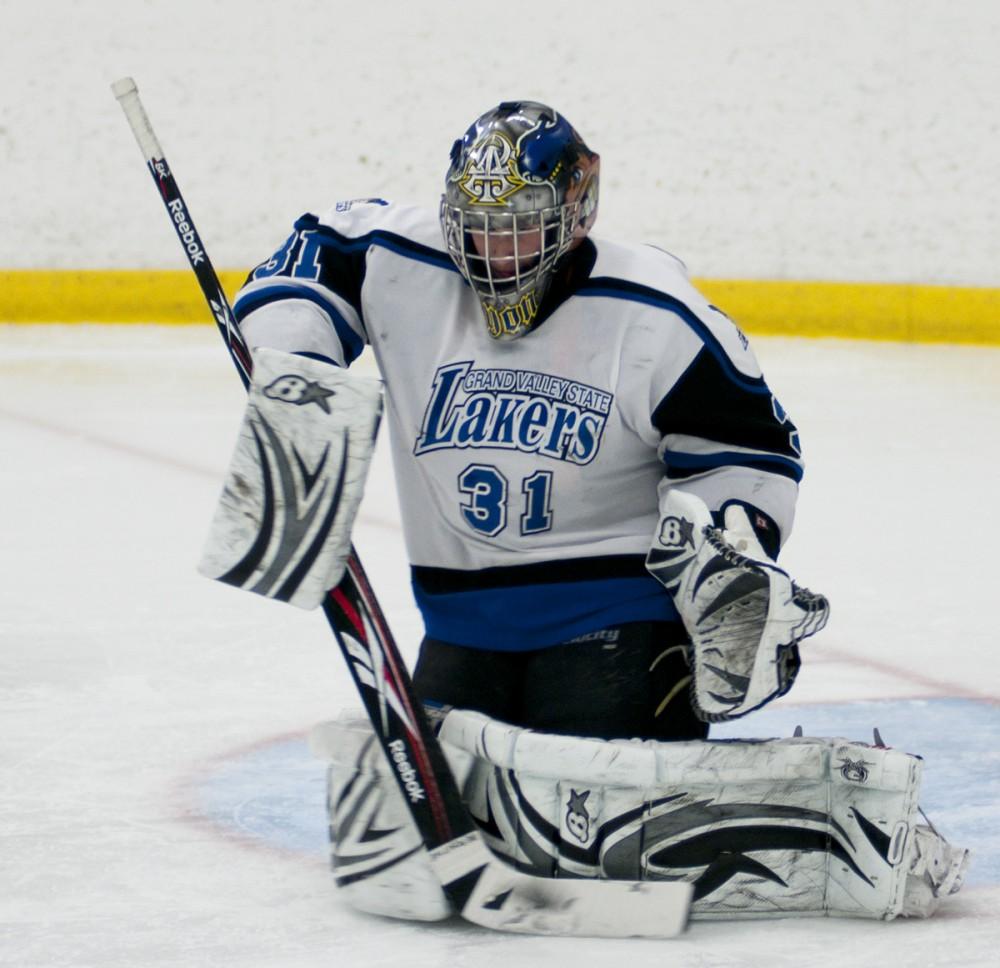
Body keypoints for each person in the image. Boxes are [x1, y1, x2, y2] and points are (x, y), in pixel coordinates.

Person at [231, 100, 825, 743]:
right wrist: (300, 364)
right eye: (476, 225)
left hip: (621, 618)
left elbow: (751, 451)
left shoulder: (657, 312)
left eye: (518, 226)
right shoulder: (403, 259)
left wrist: (734, 549)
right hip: (463, 620)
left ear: (576, 214)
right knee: (443, 825)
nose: (493, 251)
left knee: (598, 829)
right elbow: (310, 253)